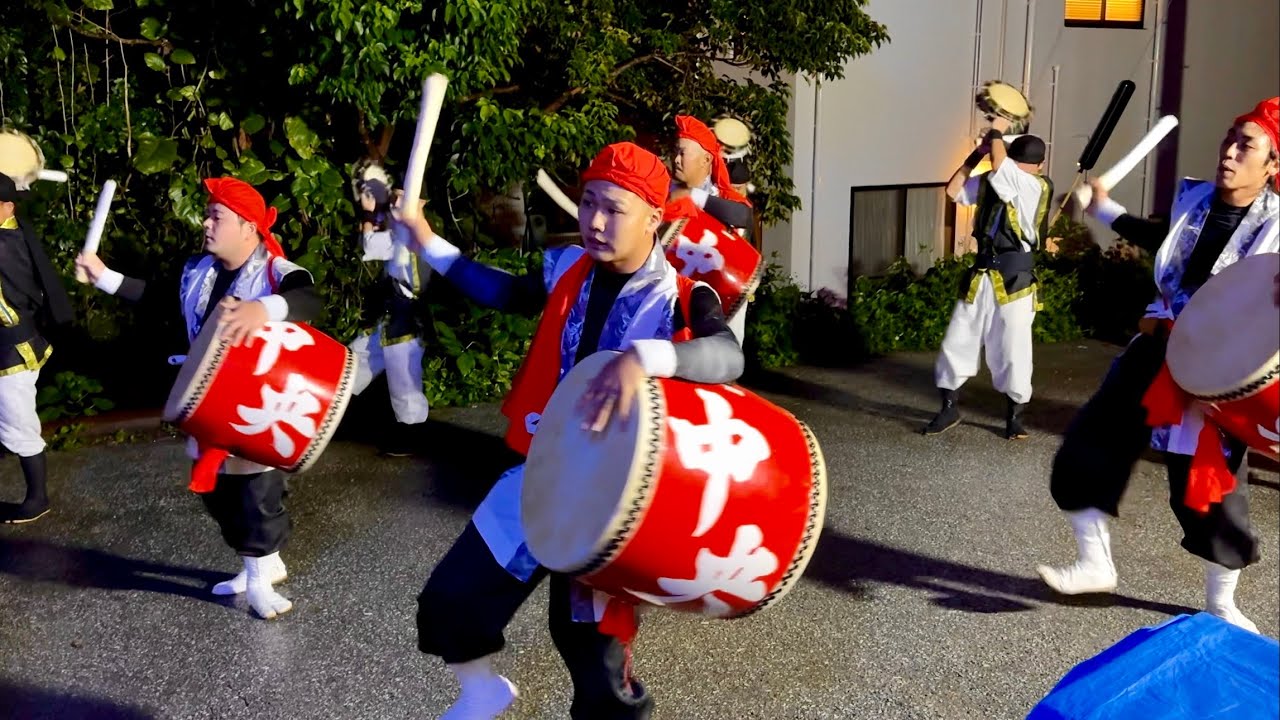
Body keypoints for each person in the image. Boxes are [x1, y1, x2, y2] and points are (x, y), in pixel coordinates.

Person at [404, 141, 744, 719]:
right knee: (450, 601)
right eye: (588, 204)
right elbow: (503, 291)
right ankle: (482, 689)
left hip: (616, 498)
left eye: (615, 209)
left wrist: (647, 359)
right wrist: (425, 238)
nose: (595, 221)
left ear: (653, 219)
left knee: (590, 650)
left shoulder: (685, 292)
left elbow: (726, 356)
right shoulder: (567, 267)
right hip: (545, 465)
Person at [1036, 97, 1279, 633]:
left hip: (1222, 368)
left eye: (1247, 144)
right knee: (1090, 444)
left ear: (1272, 166)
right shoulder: (1192, 200)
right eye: (1230, 138)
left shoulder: (1277, 229)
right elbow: (1159, 238)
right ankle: (1096, 563)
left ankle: (1221, 602)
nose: (1230, 151)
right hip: (1158, 347)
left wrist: (1240, 377)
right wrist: (1101, 206)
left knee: (1209, 491)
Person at [75, 177, 321, 620]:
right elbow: (156, 298)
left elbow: (307, 300)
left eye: (216, 216)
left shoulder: (274, 271)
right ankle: (260, 565)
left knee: (254, 492)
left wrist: (261, 309)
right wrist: (104, 277)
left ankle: (260, 575)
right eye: (208, 214)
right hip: (211, 400)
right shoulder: (199, 271)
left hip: (256, 402)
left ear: (249, 227)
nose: (206, 224)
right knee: (217, 494)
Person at [923, 117, 1053, 439]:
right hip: (981, 276)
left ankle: (1014, 418)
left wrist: (997, 129)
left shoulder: (1035, 185)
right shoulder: (995, 180)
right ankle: (949, 408)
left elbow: (1000, 166)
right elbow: (953, 190)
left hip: (1015, 282)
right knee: (957, 340)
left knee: (1012, 349)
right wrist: (976, 154)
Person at [0, 172, 74, 524]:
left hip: (13, 348)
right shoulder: (10, 231)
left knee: (18, 422)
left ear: (8, 207)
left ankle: (37, 497)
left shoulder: (7, 243)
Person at [347, 162, 433, 456]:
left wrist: (374, 213)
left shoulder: (422, 238)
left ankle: (413, 436)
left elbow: (374, 247)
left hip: (408, 321)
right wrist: (370, 211)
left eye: (402, 198)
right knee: (352, 361)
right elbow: (371, 247)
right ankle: (328, 413)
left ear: (420, 203)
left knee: (404, 380)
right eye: (395, 197)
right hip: (388, 317)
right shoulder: (400, 236)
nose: (396, 203)